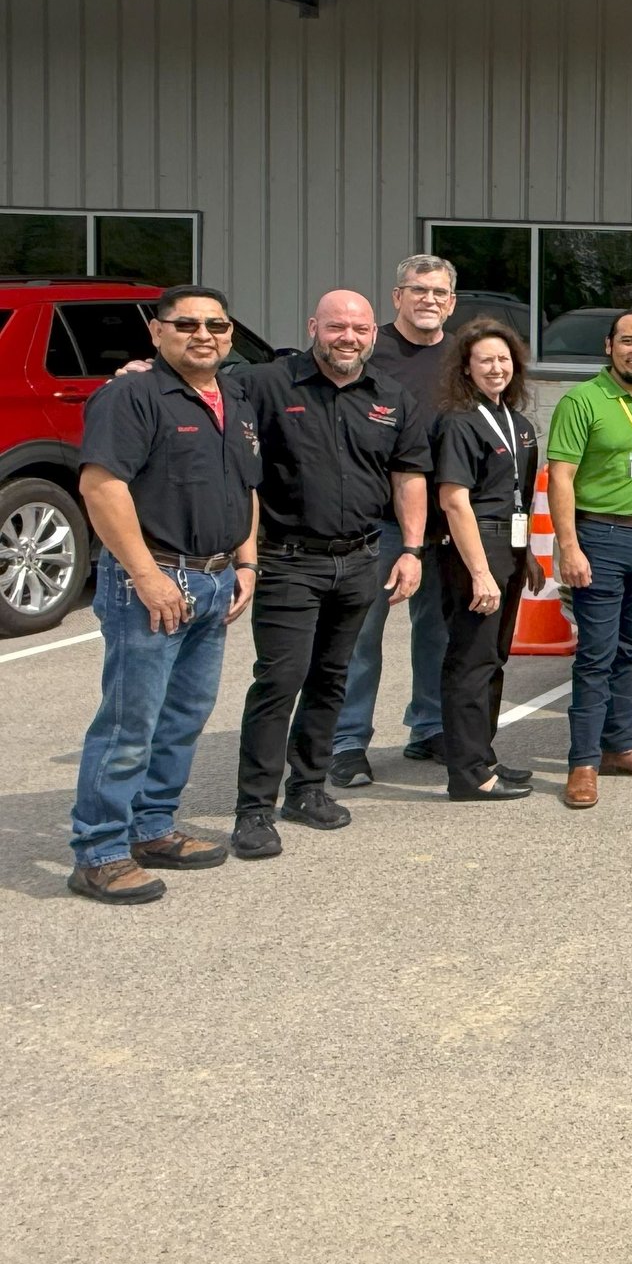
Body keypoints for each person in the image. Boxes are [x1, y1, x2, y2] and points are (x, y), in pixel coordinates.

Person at [66, 288, 261, 903]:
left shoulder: (234, 397)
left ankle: (152, 828)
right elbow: (101, 487)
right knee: (130, 724)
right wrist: (147, 575)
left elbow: (247, 485)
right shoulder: (130, 395)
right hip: (153, 582)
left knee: (182, 719)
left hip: (214, 580)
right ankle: (99, 851)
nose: (203, 334)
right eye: (187, 325)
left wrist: (247, 562)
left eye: (217, 324)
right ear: (157, 333)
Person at [226, 291, 430, 859]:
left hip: (363, 559)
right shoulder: (265, 384)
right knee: (279, 681)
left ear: (373, 333)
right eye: (337, 326)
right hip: (289, 561)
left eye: (360, 329)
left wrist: (410, 549)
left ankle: (308, 789)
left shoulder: (392, 397)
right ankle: (254, 810)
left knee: (331, 678)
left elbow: (409, 476)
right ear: (314, 325)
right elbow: (202, 396)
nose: (348, 338)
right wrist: (141, 372)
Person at [546, 311, 632, 809]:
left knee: (629, 652)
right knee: (596, 655)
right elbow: (560, 477)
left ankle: (620, 748)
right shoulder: (581, 401)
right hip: (599, 539)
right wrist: (568, 547)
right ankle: (582, 762)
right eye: (629, 341)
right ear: (609, 347)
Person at [334, 254, 458, 785]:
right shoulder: (368, 348)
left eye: (438, 292)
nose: (428, 299)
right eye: (418, 289)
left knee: (437, 632)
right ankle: (345, 741)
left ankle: (429, 727)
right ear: (396, 297)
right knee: (360, 636)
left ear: (451, 302)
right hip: (376, 522)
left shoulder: (462, 355)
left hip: (445, 522)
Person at [429, 319, 543, 801]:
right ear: (467, 369)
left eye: (503, 359)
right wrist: (480, 572)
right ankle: (468, 773)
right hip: (476, 548)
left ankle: (484, 756)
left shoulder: (518, 424)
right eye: (485, 361)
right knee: (471, 661)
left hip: (510, 548)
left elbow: (520, 497)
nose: (496, 368)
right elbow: (455, 500)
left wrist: (530, 555)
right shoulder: (458, 421)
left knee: (493, 658)